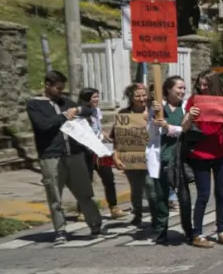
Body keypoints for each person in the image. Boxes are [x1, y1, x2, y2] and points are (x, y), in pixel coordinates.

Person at [26, 70, 112, 244]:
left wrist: (77, 109)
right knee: (55, 195)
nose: (60, 91)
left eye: (62, 88)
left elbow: (88, 110)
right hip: (51, 156)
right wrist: (62, 116)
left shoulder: (66, 102)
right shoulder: (35, 104)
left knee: (85, 193)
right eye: (57, 88)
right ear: (47, 85)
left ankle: (95, 225)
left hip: (74, 154)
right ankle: (60, 230)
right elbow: (43, 125)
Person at [182, 70, 223, 247]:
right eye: (200, 84)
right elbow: (184, 128)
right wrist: (190, 115)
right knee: (203, 195)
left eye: (206, 84)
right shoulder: (194, 101)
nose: (202, 87)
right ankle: (197, 233)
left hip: (222, 154)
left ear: (213, 84)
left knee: (221, 194)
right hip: (200, 154)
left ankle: (222, 230)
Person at [148, 75, 200, 246]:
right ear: (168, 89)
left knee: (184, 198)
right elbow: (150, 132)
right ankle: (161, 231)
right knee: (161, 197)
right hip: (162, 157)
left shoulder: (187, 108)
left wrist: (168, 127)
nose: (182, 91)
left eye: (184, 88)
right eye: (179, 88)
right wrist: (153, 116)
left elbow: (187, 131)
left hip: (181, 159)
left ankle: (188, 230)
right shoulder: (159, 108)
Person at [110, 83, 157, 229]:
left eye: (144, 95)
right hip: (132, 159)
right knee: (136, 189)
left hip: (151, 157)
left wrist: (149, 119)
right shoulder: (124, 114)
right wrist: (116, 157)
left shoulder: (154, 111)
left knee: (151, 187)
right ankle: (137, 214)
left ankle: (156, 217)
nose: (142, 99)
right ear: (131, 97)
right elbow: (118, 138)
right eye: (138, 96)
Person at [77, 87, 125, 219]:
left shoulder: (96, 111)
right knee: (86, 181)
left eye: (98, 97)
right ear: (86, 99)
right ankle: (82, 210)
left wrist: (105, 135)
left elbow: (98, 128)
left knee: (109, 178)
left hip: (100, 149)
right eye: (94, 97)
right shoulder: (79, 113)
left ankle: (113, 207)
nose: (97, 100)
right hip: (86, 151)